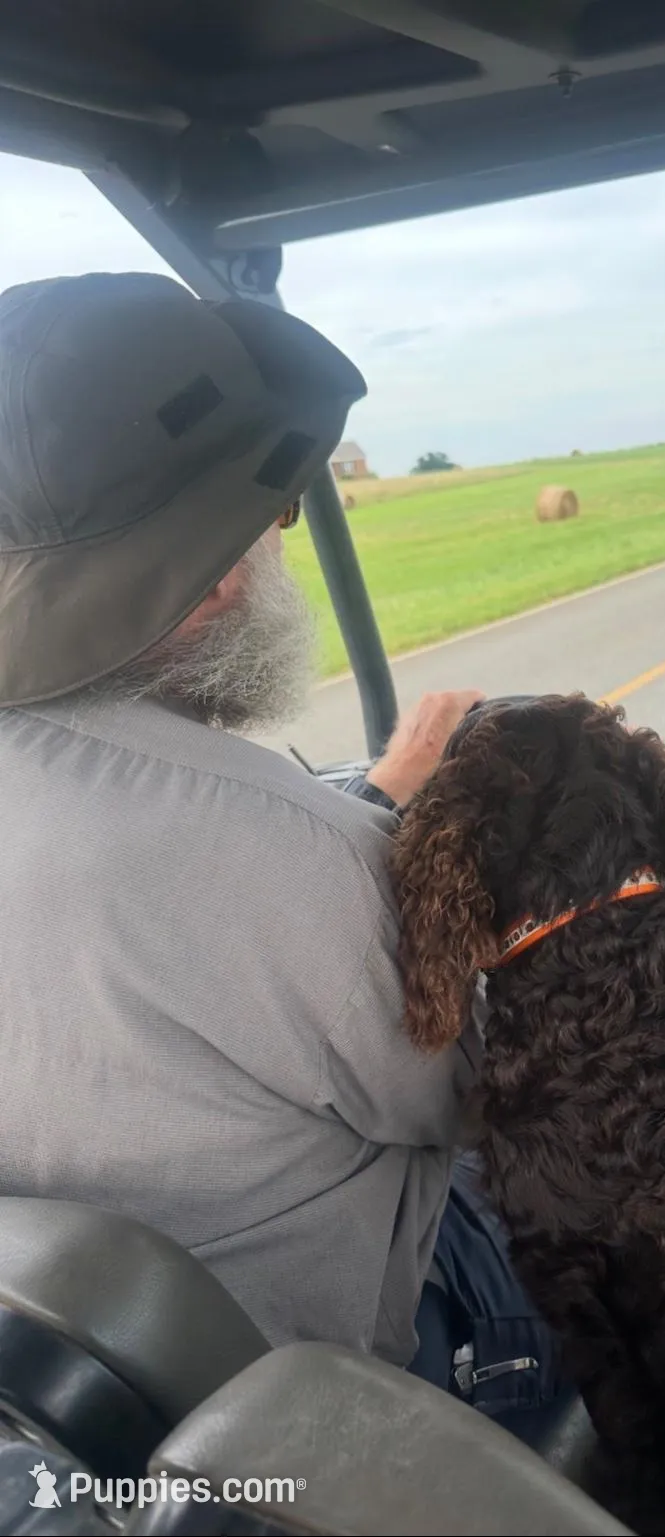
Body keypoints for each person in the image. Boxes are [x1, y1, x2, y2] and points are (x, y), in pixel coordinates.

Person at [0, 272, 568, 1438]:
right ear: (216, 571)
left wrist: (374, 803)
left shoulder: (273, 838)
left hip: (64, 1397)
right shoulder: (302, 856)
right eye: (280, 513)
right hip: (311, 1420)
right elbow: (503, 1085)